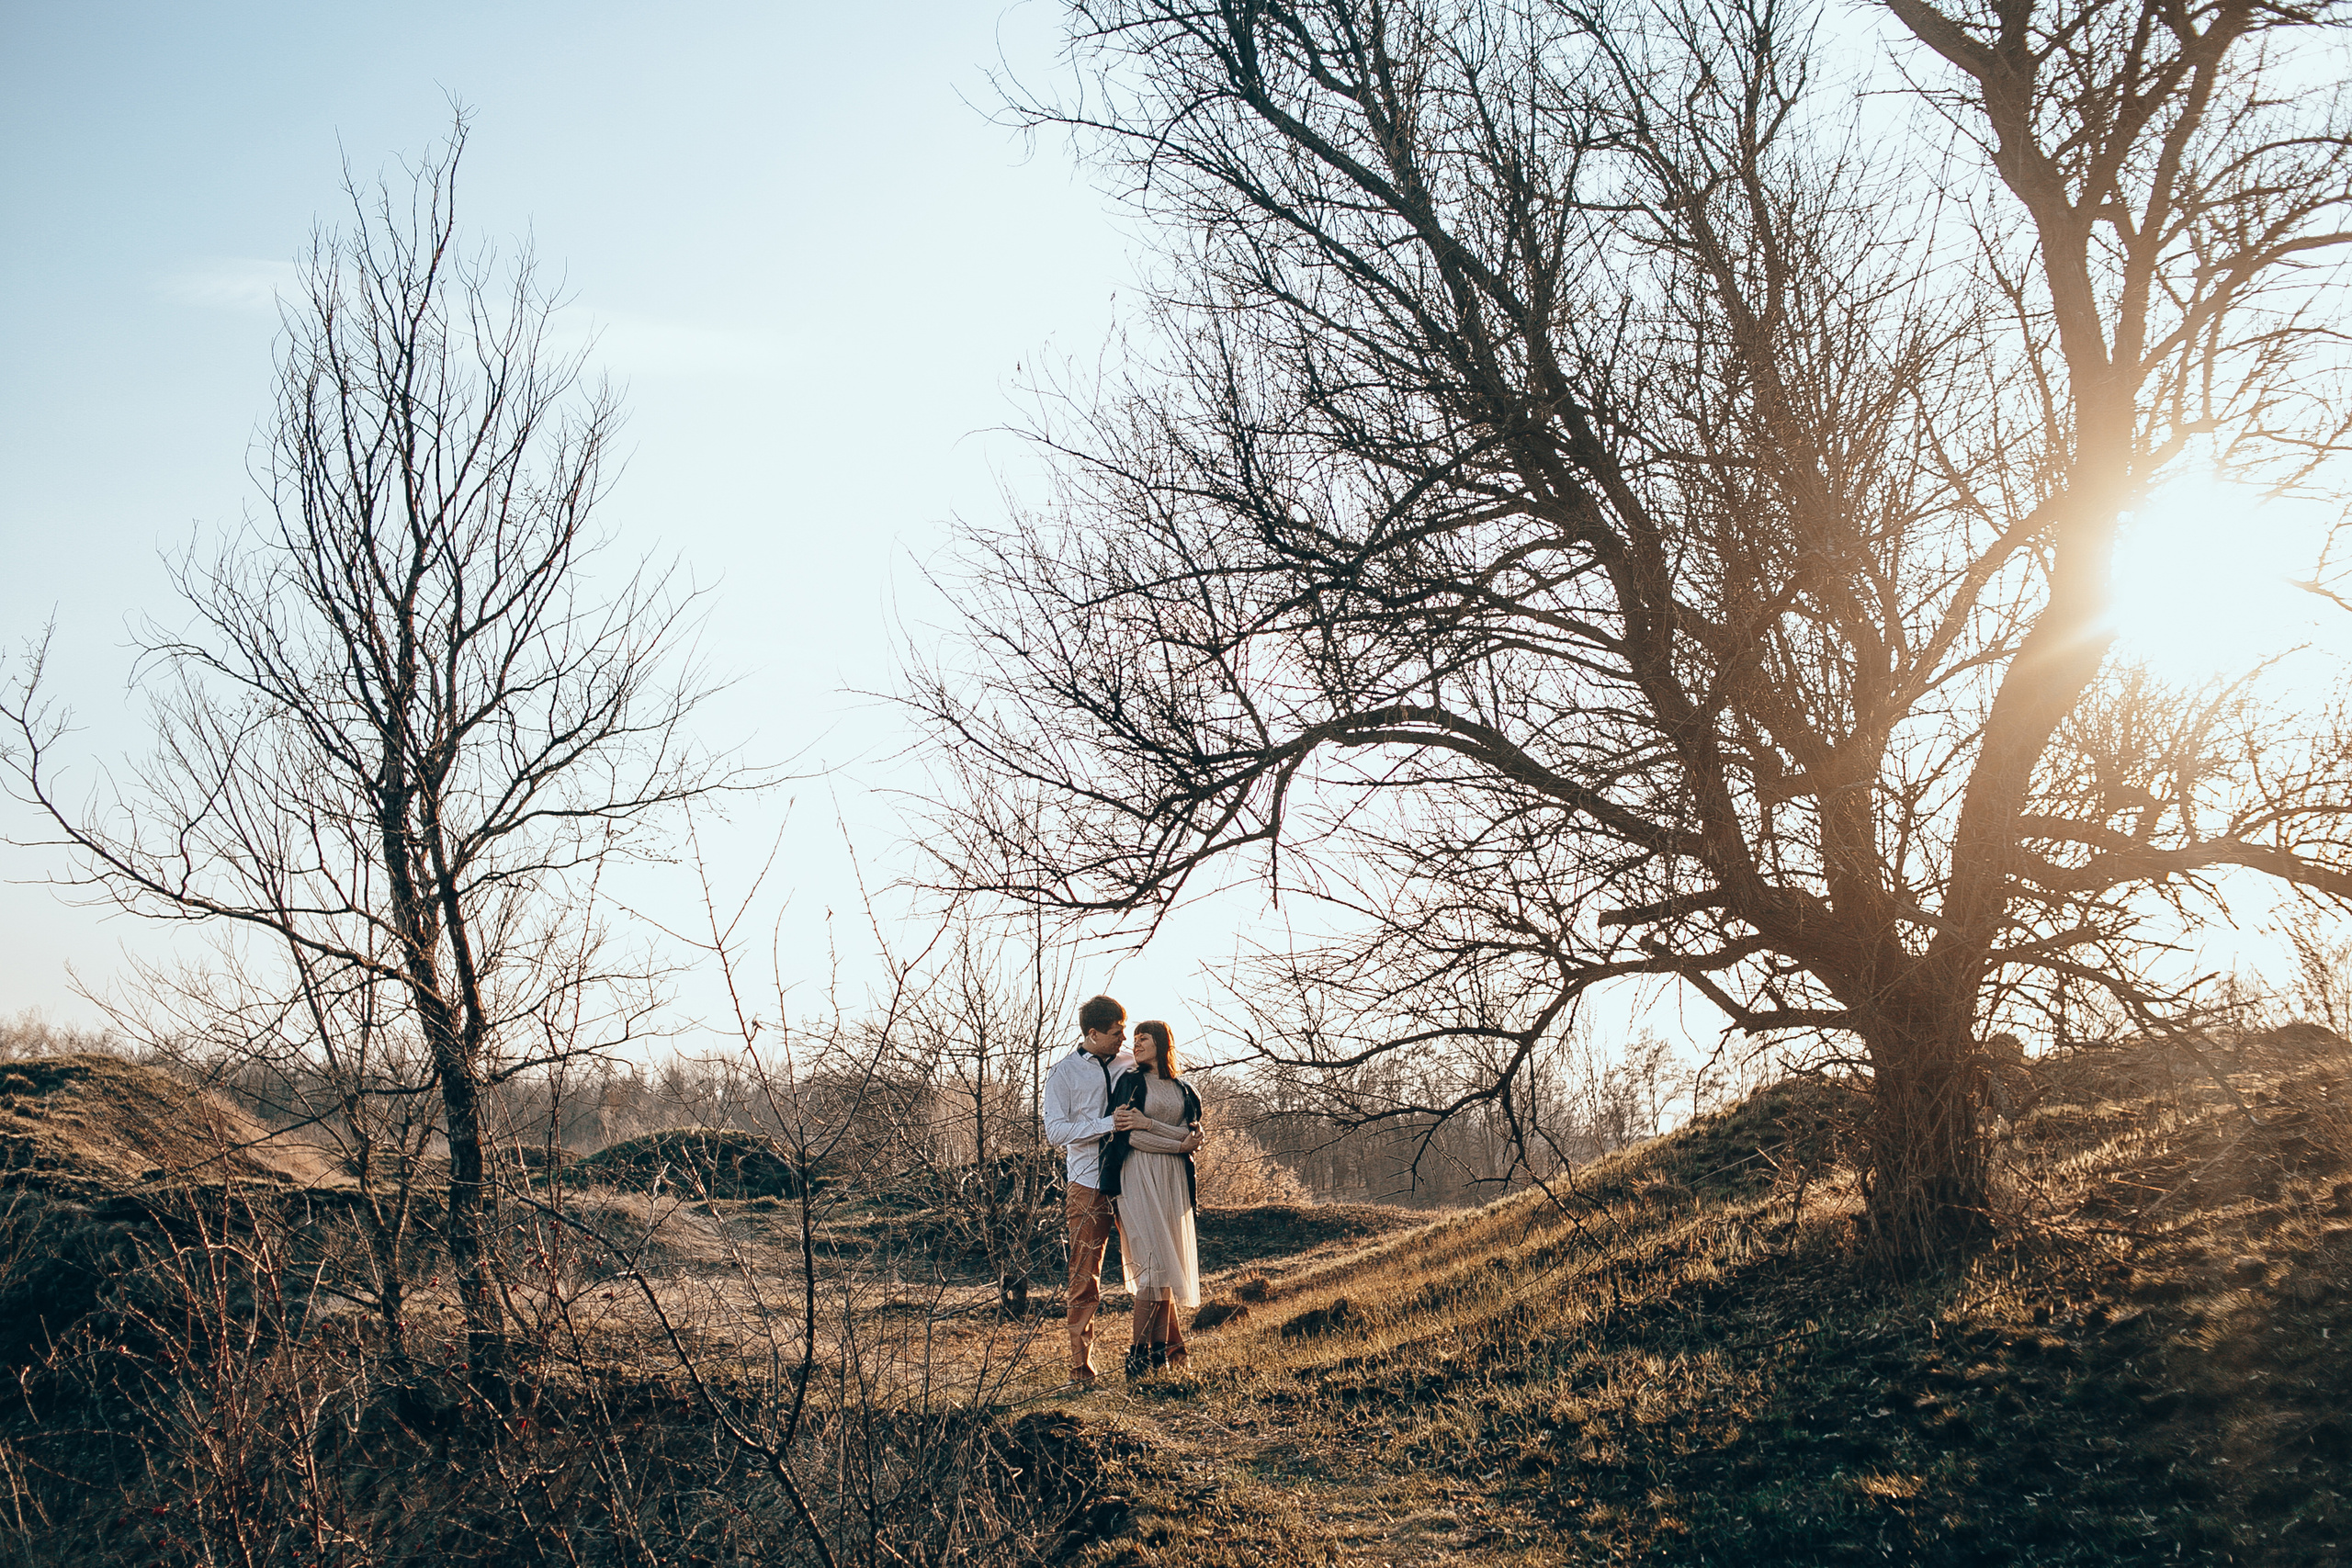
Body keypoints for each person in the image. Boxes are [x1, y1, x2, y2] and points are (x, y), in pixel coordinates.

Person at [1041, 994, 1136, 1386]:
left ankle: (1159, 1356)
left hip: (1133, 1179)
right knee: (1084, 1278)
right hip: (1087, 1184)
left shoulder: (1132, 1060)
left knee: (1151, 1266)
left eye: (1125, 1030)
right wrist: (1106, 1123)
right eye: (1116, 1033)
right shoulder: (1062, 1074)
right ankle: (1082, 1371)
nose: (1123, 1038)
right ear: (1092, 1033)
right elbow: (1055, 1133)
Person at [1100, 1019, 1203, 1375]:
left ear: (1161, 1042)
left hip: (1173, 1179)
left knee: (1164, 1270)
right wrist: (1175, 1142)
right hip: (1138, 1173)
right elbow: (1130, 1136)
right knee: (1150, 1267)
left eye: (1143, 1039)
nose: (1136, 1044)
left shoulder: (1184, 1089)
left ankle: (1159, 1354)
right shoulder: (1129, 1083)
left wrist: (1156, 1127)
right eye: (1135, 1039)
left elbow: (1192, 1133)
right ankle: (1137, 1355)